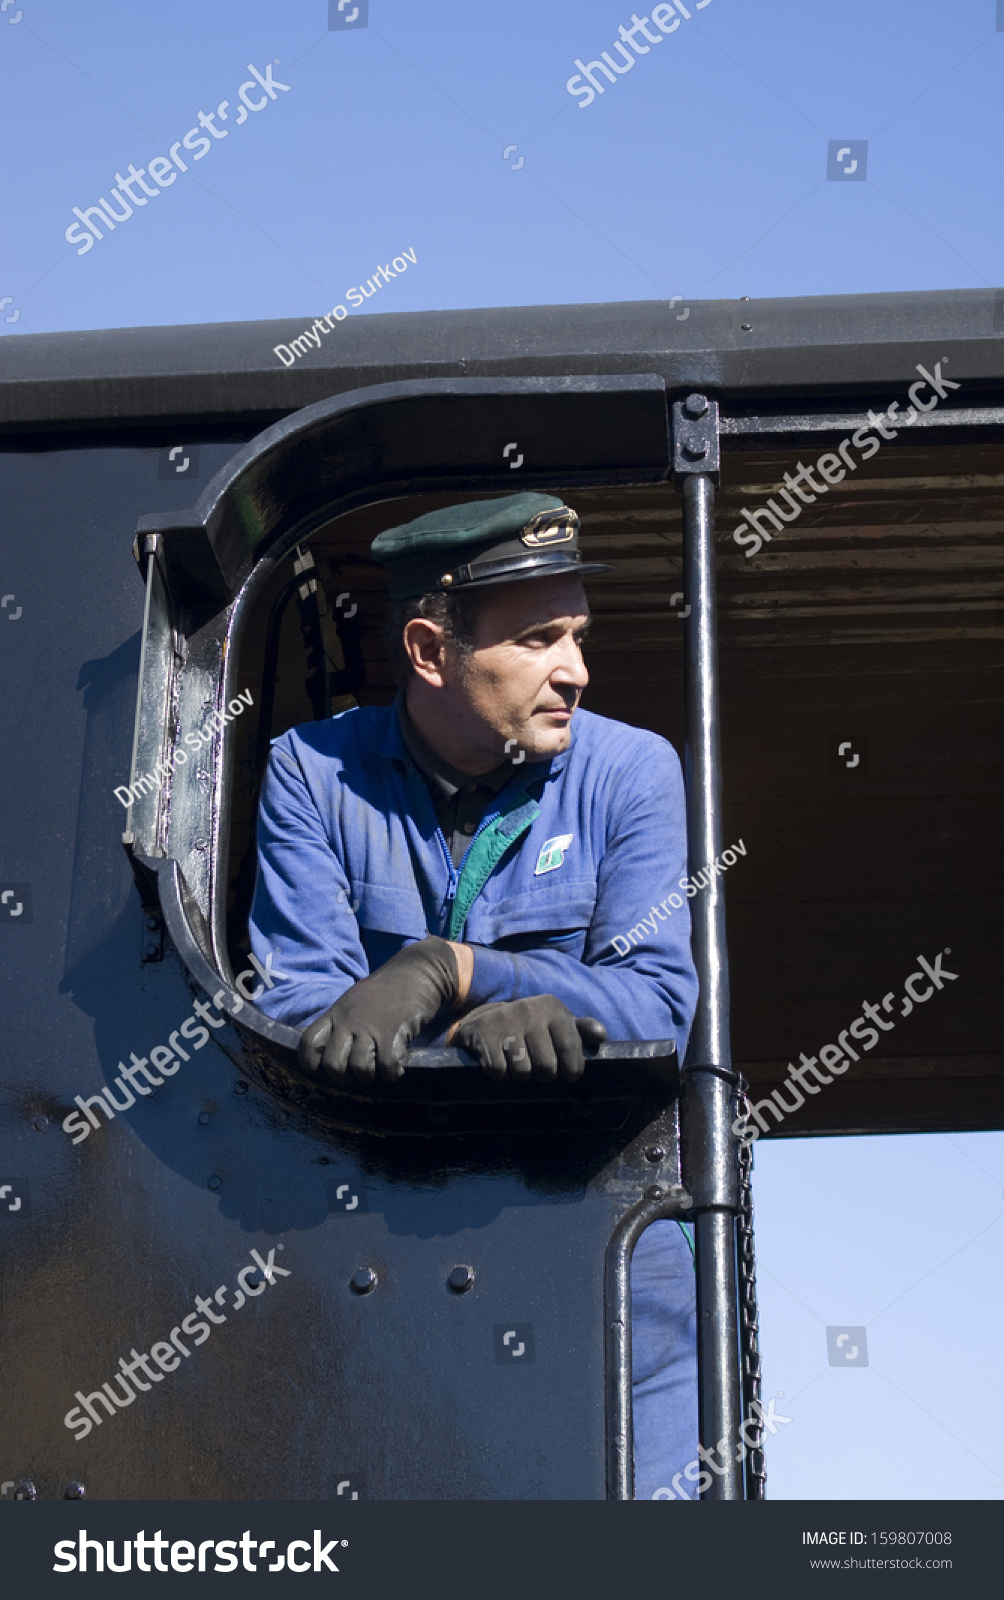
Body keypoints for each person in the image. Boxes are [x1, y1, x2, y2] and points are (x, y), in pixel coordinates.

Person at [248, 491, 699, 1497]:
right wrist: (479, 1008)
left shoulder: (631, 773)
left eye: (577, 635)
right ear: (426, 647)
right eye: (539, 638)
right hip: (383, 1220)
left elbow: (661, 998)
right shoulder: (310, 774)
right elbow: (306, 1011)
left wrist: (455, 974)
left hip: (595, 1225)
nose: (574, 670)